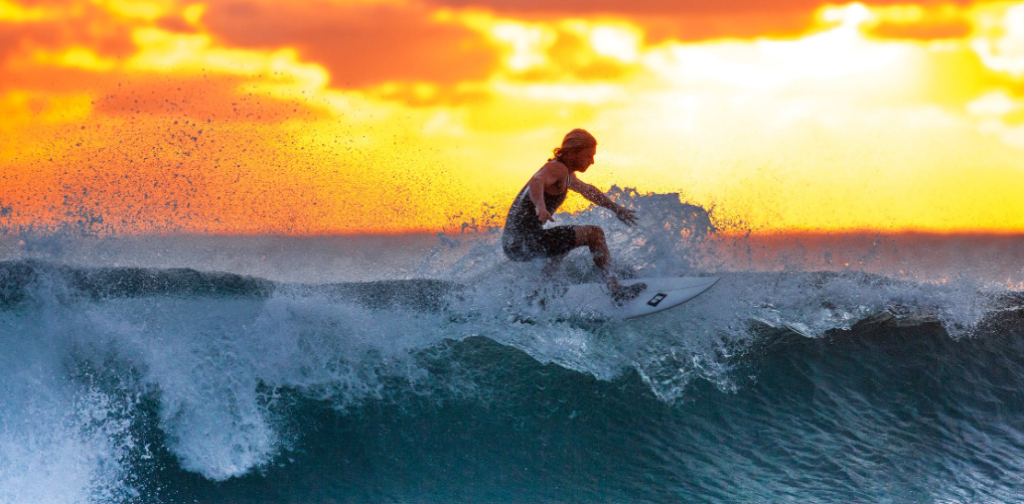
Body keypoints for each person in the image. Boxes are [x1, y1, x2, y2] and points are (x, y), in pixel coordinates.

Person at [501, 128, 646, 303]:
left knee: (566, 242)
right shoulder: (557, 168)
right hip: (524, 241)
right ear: (572, 152)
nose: (592, 161)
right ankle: (616, 291)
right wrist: (540, 205)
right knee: (595, 234)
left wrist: (616, 209)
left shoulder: (566, 174)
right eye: (588, 156)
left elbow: (589, 191)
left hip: (515, 244)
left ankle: (538, 295)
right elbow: (537, 181)